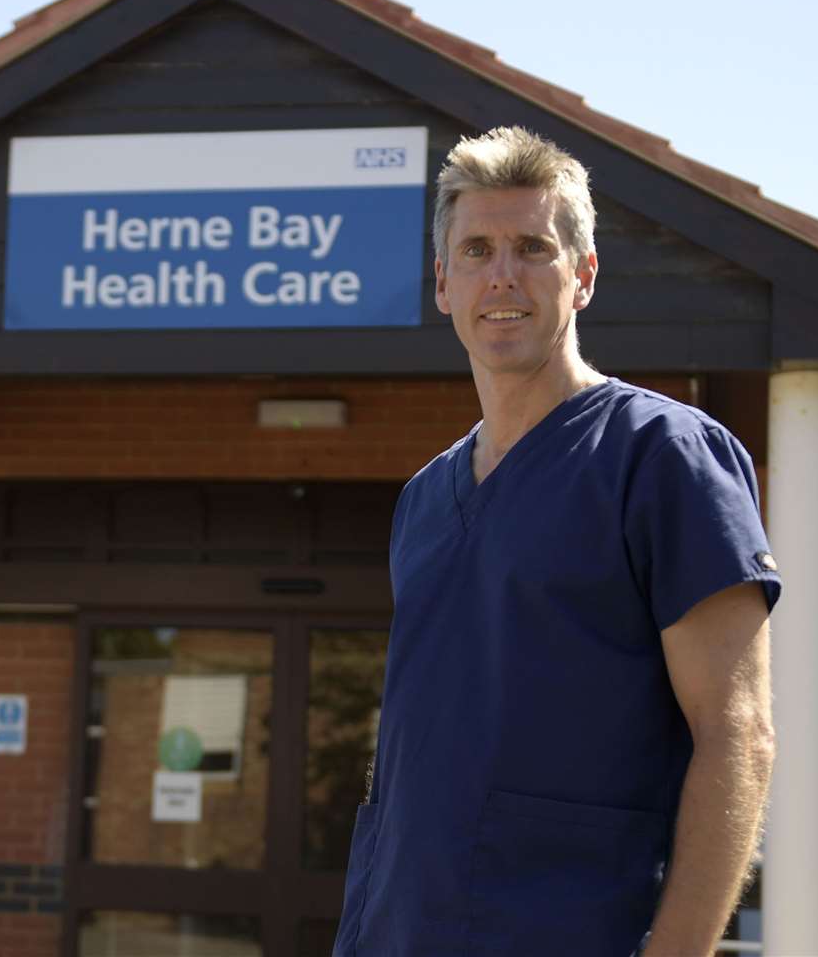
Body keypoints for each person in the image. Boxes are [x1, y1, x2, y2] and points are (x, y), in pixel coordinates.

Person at [333, 127, 781, 957]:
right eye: (477, 250)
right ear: (443, 283)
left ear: (583, 276)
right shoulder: (426, 500)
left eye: (533, 247)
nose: (502, 273)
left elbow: (738, 734)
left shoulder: (663, 457)